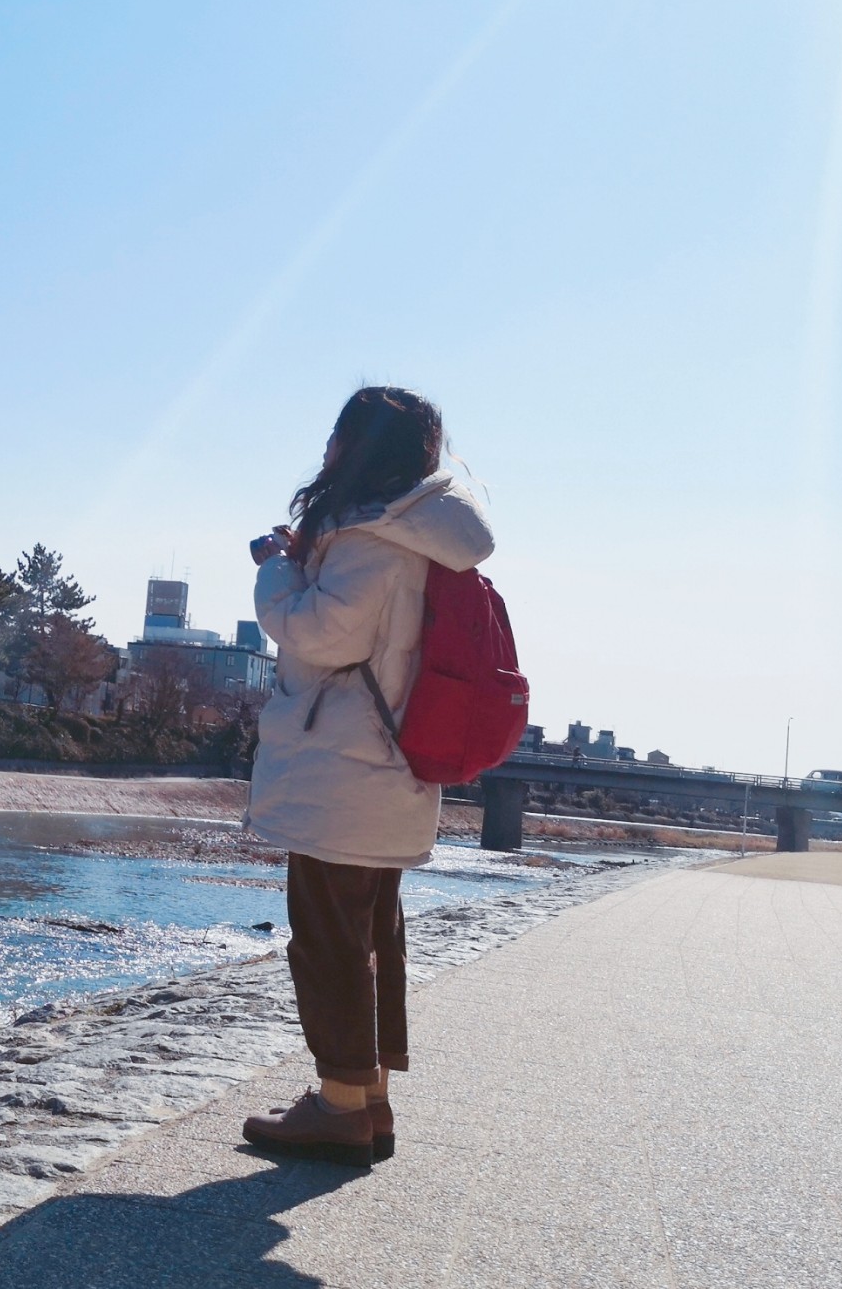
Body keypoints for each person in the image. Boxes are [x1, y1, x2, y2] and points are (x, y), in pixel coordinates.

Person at [239, 386, 494, 1168]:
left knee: (327, 937)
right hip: (389, 769)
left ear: (360, 448)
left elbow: (318, 633)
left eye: (338, 436)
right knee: (371, 934)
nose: (327, 450)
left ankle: (341, 1105)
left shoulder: (372, 538)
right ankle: (369, 1097)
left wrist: (278, 572)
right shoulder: (417, 533)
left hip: (344, 767)